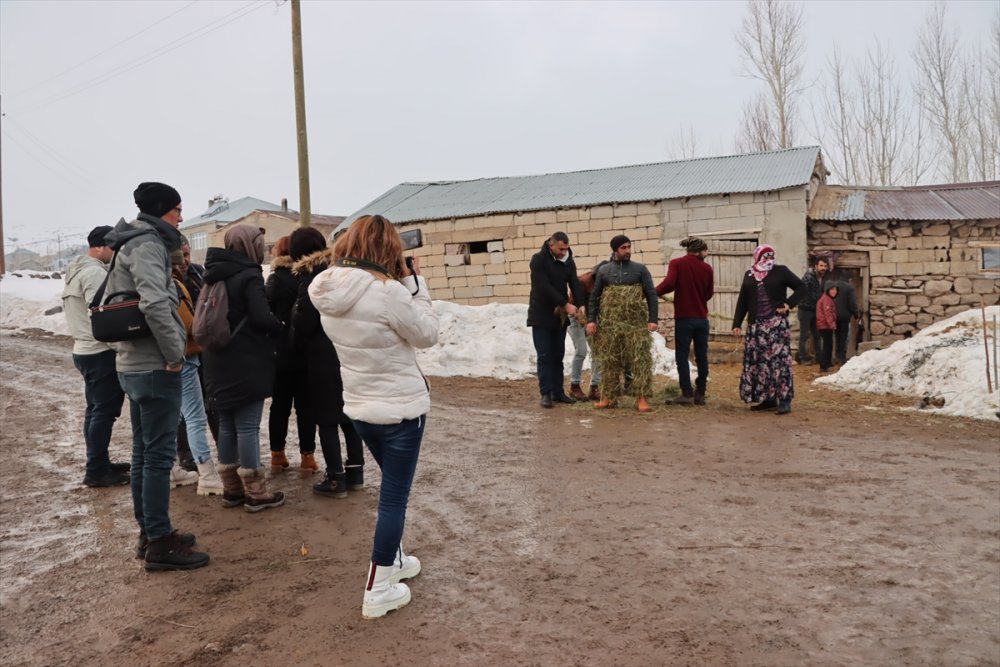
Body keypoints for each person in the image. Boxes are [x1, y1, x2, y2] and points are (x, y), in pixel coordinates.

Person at [307, 214, 439, 620]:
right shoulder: (388, 293)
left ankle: (394, 560)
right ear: (389, 249)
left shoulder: (326, 288)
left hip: (361, 408)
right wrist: (417, 286)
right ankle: (378, 588)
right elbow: (427, 334)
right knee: (394, 499)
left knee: (392, 492)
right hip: (401, 410)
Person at [104, 181, 208, 570]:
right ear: (164, 209)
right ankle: (160, 543)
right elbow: (154, 303)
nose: (182, 217)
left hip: (136, 362)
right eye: (178, 209)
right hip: (154, 364)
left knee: (144, 453)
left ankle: (150, 533)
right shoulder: (148, 244)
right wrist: (175, 353)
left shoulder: (130, 241)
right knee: (158, 456)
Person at [202, 224, 285, 513]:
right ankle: (256, 492)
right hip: (245, 359)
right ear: (251, 246)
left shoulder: (213, 273)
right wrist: (279, 324)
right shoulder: (249, 274)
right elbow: (261, 317)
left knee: (227, 424)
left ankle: (232, 489)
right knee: (248, 426)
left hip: (216, 358)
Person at [290, 226, 366, 498]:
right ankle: (356, 472)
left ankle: (335, 477)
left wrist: (295, 317)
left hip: (321, 356)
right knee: (349, 414)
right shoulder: (341, 273)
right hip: (346, 351)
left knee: (326, 419)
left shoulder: (310, 279)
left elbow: (305, 323)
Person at [62, 225, 129, 487]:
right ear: (100, 247)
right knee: (104, 413)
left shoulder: (77, 270)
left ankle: (99, 462)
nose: (115, 252)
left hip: (84, 350)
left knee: (95, 411)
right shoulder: (93, 273)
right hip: (99, 351)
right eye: (113, 247)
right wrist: (119, 346)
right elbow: (103, 315)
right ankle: (97, 471)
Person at [171, 240, 223, 496]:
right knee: (193, 416)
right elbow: (190, 323)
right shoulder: (170, 284)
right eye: (181, 256)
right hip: (186, 352)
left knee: (184, 412)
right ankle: (203, 470)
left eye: (188, 254)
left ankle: (176, 468)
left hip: (193, 353)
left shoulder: (197, 274)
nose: (186, 260)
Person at [265, 235, 318, 475]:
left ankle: (277, 455)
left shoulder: (275, 279)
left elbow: (265, 310)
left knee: (280, 406)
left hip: (280, 353)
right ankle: (308, 458)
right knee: (306, 407)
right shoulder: (307, 277)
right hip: (305, 351)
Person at [731, 244, 806, 416]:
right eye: (765, 256)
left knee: (779, 363)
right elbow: (743, 300)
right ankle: (768, 399)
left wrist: (788, 304)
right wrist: (737, 323)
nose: (769, 259)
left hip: (776, 326)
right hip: (756, 328)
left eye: (771, 256)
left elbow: (802, 287)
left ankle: (784, 400)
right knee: (760, 364)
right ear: (757, 257)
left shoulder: (781, 271)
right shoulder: (749, 274)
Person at [586, 235, 658, 413]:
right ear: (615, 250)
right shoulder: (604, 271)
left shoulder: (640, 269)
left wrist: (653, 319)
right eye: (623, 248)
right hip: (611, 324)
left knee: (639, 361)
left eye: (629, 247)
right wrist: (591, 320)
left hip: (635, 324)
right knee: (610, 362)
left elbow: (651, 295)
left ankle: (641, 398)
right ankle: (609, 397)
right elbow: (594, 298)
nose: (627, 251)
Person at [527, 232, 585, 408]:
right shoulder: (538, 260)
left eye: (566, 249)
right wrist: (565, 304)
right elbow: (543, 286)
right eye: (561, 249)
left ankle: (558, 392)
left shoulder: (568, 260)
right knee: (545, 355)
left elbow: (574, 283)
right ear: (551, 245)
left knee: (558, 354)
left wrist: (581, 304)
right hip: (541, 315)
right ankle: (546, 393)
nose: (563, 252)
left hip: (559, 317)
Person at [656, 237, 714, 406]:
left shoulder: (677, 263)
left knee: (682, 355)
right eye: (705, 251)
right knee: (701, 356)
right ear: (699, 251)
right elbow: (709, 293)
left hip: (684, 319)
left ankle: (687, 393)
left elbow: (669, 284)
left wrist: (654, 291)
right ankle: (700, 393)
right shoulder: (707, 268)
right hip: (702, 319)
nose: (706, 254)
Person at [566, 261, 607, 401]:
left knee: (598, 351)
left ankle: (594, 387)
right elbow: (575, 305)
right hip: (577, 316)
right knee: (581, 350)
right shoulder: (582, 281)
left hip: (592, 318)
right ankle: (574, 386)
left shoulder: (606, 283)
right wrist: (585, 321)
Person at [796, 256, 829, 364]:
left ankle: (819, 357)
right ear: (816, 266)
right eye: (821, 265)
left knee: (817, 335)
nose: (823, 268)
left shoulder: (822, 278)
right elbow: (804, 292)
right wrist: (821, 299)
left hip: (815, 310)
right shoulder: (808, 277)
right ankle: (802, 358)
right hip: (805, 309)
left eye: (825, 266)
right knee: (804, 335)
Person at [833, 277, 861, 365]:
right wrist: (856, 315)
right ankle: (842, 357)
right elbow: (852, 303)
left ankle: (837, 356)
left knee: (837, 336)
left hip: (834, 316)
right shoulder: (849, 288)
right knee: (844, 337)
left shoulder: (833, 286)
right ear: (849, 279)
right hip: (845, 316)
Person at [816, 284, 838, 372]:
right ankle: (823, 366)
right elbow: (827, 313)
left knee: (829, 344)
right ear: (828, 290)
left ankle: (828, 363)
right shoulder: (826, 299)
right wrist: (832, 324)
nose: (834, 291)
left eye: (835, 289)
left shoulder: (828, 298)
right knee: (826, 345)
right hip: (825, 325)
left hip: (825, 325)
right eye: (832, 289)